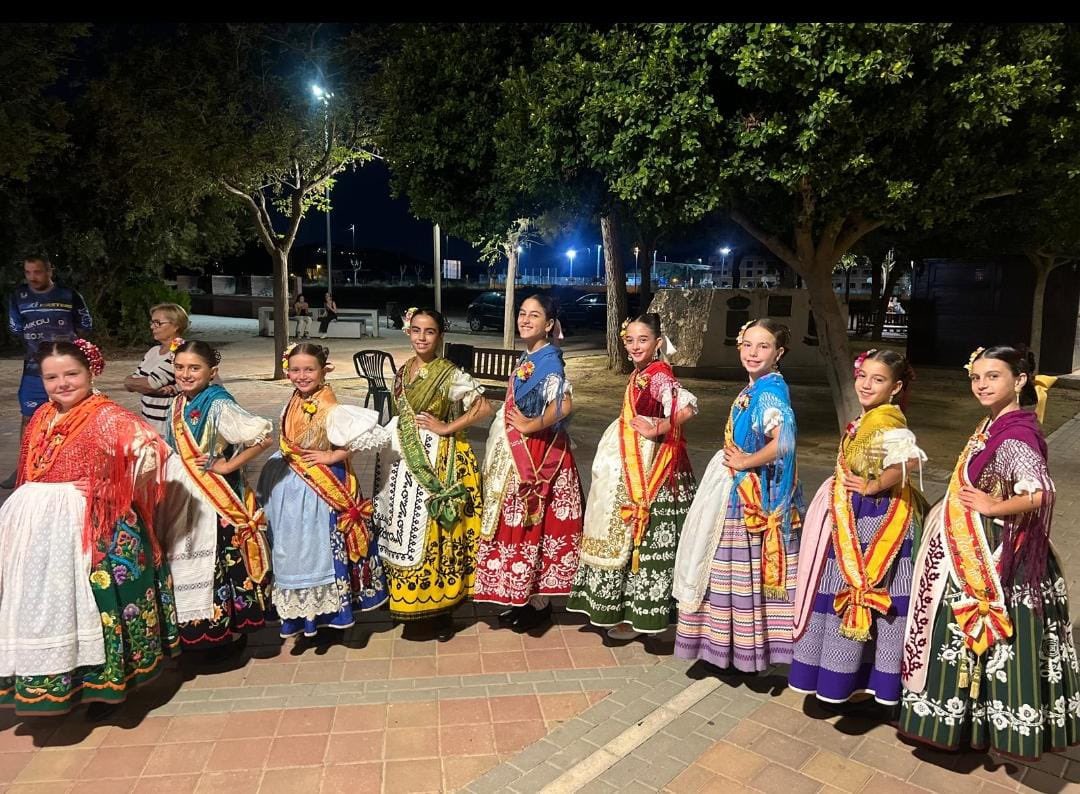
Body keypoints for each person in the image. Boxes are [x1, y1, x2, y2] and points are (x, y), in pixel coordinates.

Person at [899, 345, 1080, 761]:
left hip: (995, 553)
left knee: (985, 636)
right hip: (969, 545)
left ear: (1019, 381)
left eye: (993, 376)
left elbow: (1040, 493)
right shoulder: (993, 423)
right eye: (977, 377)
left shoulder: (1015, 433)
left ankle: (976, 728)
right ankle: (966, 724)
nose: (981, 384)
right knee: (962, 637)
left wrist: (994, 507)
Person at [0, 340, 179, 719]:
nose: (62, 383)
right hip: (41, 531)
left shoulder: (107, 417)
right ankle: (55, 677)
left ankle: (104, 686)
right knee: (47, 604)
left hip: (89, 524)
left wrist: (111, 485)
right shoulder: (41, 417)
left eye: (71, 374)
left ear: (90, 372)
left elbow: (152, 451)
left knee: (97, 600)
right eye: (52, 377)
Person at [789, 349, 927, 710]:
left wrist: (872, 486)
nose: (866, 384)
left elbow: (906, 462)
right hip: (856, 513)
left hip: (875, 519)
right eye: (863, 376)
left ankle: (858, 682)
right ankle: (848, 679)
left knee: (866, 589)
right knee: (843, 588)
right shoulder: (870, 417)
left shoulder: (888, 422)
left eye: (877, 379)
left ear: (895, 387)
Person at [673, 318, 803, 671]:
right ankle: (730, 649)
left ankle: (737, 652)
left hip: (749, 494)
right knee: (729, 571)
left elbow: (785, 442)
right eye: (747, 345)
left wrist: (746, 460)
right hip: (738, 485)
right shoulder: (757, 387)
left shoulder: (770, 392)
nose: (753, 352)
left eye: (763, 346)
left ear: (779, 353)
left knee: (735, 571)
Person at [568, 314, 698, 640]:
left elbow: (688, 407)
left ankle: (642, 616)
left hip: (654, 468)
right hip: (633, 459)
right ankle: (626, 609)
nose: (636, 345)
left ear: (657, 343)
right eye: (630, 340)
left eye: (643, 339)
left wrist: (661, 426)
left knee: (647, 537)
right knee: (632, 534)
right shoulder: (642, 373)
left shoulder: (657, 374)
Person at [257, 343, 391, 641]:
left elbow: (365, 436)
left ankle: (328, 617)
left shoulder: (329, 404)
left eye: (309, 369)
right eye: (295, 370)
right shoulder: (295, 398)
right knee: (293, 549)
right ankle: (303, 615)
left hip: (319, 488)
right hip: (289, 484)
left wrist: (333, 456)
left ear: (323, 370)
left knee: (317, 549)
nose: (301, 376)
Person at [373, 308, 491, 641]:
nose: (422, 337)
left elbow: (483, 406)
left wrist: (446, 427)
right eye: (416, 330)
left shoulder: (449, 373)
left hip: (438, 461)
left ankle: (441, 611)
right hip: (403, 461)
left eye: (430, 331)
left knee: (436, 533)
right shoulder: (403, 370)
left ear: (440, 335)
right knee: (403, 529)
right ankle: (407, 603)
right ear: (408, 332)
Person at [473, 295, 584, 633]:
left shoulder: (550, 360)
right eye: (522, 313)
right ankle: (521, 597)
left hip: (541, 456)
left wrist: (531, 426)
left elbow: (564, 405)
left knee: (537, 524)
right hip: (521, 454)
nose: (525, 320)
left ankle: (539, 605)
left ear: (549, 324)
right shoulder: (530, 355)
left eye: (534, 315)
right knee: (523, 527)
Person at [158, 341, 274, 661]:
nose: (185, 374)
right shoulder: (180, 402)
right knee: (190, 560)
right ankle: (196, 630)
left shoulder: (218, 403)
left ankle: (226, 633)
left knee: (217, 562)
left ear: (212, 372)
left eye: (194, 368)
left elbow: (262, 437)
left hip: (215, 498)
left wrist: (227, 465)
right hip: (186, 496)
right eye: (179, 367)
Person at [2, 255, 93, 489]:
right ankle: (24, 468)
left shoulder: (68, 295)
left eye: (38, 272)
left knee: (74, 414)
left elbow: (85, 323)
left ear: (50, 270)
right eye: (28, 272)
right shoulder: (18, 296)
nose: (33, 277)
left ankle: (72, 466)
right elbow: (14, 326)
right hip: (34, 369)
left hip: (65, 368)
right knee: (29, 418)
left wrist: (68, 344)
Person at [124, 303, 188, 435]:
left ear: (175, 325)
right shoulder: (153, 351)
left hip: (170, 429)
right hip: (149, 424)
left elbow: (150, 384)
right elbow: (131, 385)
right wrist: (129, 382)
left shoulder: (180, 351)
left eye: (157, 323)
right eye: (152, 322)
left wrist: (135, 382)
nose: (152, 327)